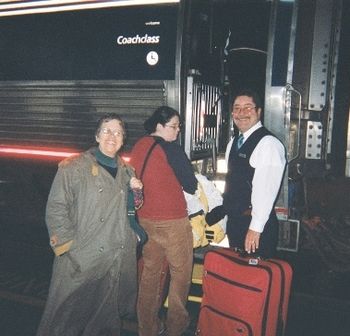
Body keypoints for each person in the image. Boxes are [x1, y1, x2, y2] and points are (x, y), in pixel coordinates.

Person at [36, 113, 143, 336]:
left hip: (115, 258)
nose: (112, 136)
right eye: (106, 131)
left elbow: (133, 209)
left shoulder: (128, 171)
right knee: (64, 322)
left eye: (118, 132)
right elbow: (56, 208)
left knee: (104, 324)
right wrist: (68, 248)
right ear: (96, 136)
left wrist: (137, 231)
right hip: (82, 258)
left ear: (123, 139)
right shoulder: (73, 167)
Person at [130, 106, 197, 336]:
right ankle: (175, 327)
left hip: (146, 220)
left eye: (179, 126)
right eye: (174, 126)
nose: (178, 131)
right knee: (181, 275)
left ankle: (147, 328)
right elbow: (191, 184)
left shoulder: (139, 145)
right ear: (159, 125)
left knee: (150, 275)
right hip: (173, 222)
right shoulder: (172, 149)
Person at [206, 89, 286, 257]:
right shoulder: (233, 143)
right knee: (237, 273)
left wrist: (255, 228)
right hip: (236, 222)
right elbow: (234, 184)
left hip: (256, 224)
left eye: (248, 108)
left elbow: (265, 191)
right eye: (237, 108)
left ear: (258, 111)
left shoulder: (268, 144)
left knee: (254, 277)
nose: (241, 113)